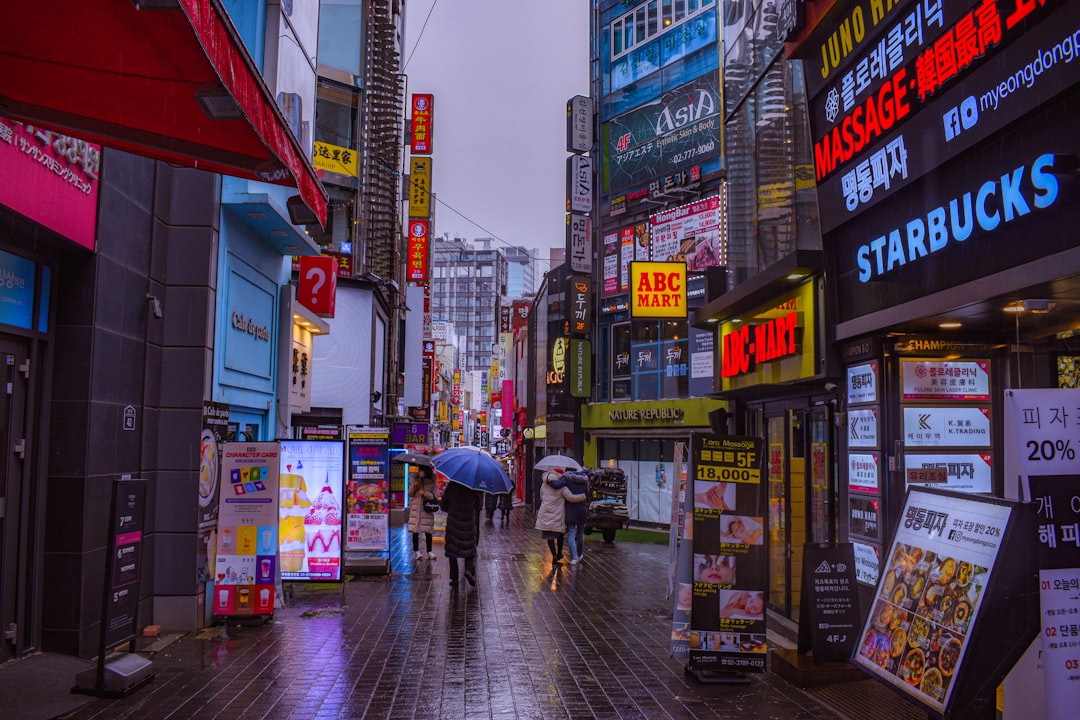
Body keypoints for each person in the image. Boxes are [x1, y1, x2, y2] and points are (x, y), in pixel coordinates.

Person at [534, 468, 586, 565]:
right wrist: (583, 496)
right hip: (557, 514)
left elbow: (541, 496)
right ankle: (559, 554)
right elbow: (571, 498)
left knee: (549, 535)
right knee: (559, 534)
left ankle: (554, 555)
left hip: (545, 512)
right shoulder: (562, 487)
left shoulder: (544, 484)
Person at [440, 479, 483, 587]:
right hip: (468, 521)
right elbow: (478, 505)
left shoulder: (451, 486)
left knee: (452, 550)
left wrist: (451, 509)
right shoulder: (472, 487)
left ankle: (454, 578)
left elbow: (443, 505)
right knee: (469, 547)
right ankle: (468, 570)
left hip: (453, 522)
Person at [407, 467, 438, 560]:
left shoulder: (432, 482)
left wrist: (425, 493)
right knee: (415, 531)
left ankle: (429, 551)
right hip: (416, 509)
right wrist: (414, 486)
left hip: (426, 509)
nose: (421, 473)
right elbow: (410, 493)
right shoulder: (416, 480)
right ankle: (416, 551)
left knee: (428, 531)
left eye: (423, 471)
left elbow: (435, 496)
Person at [562, 470, 590, 565]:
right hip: (582, 510)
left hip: (571, 509)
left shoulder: (567, 481)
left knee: (571, 533)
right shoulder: (585, 483)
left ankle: (574, 557)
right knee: (580, 533)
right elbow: (588, 496)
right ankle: (580, 554)